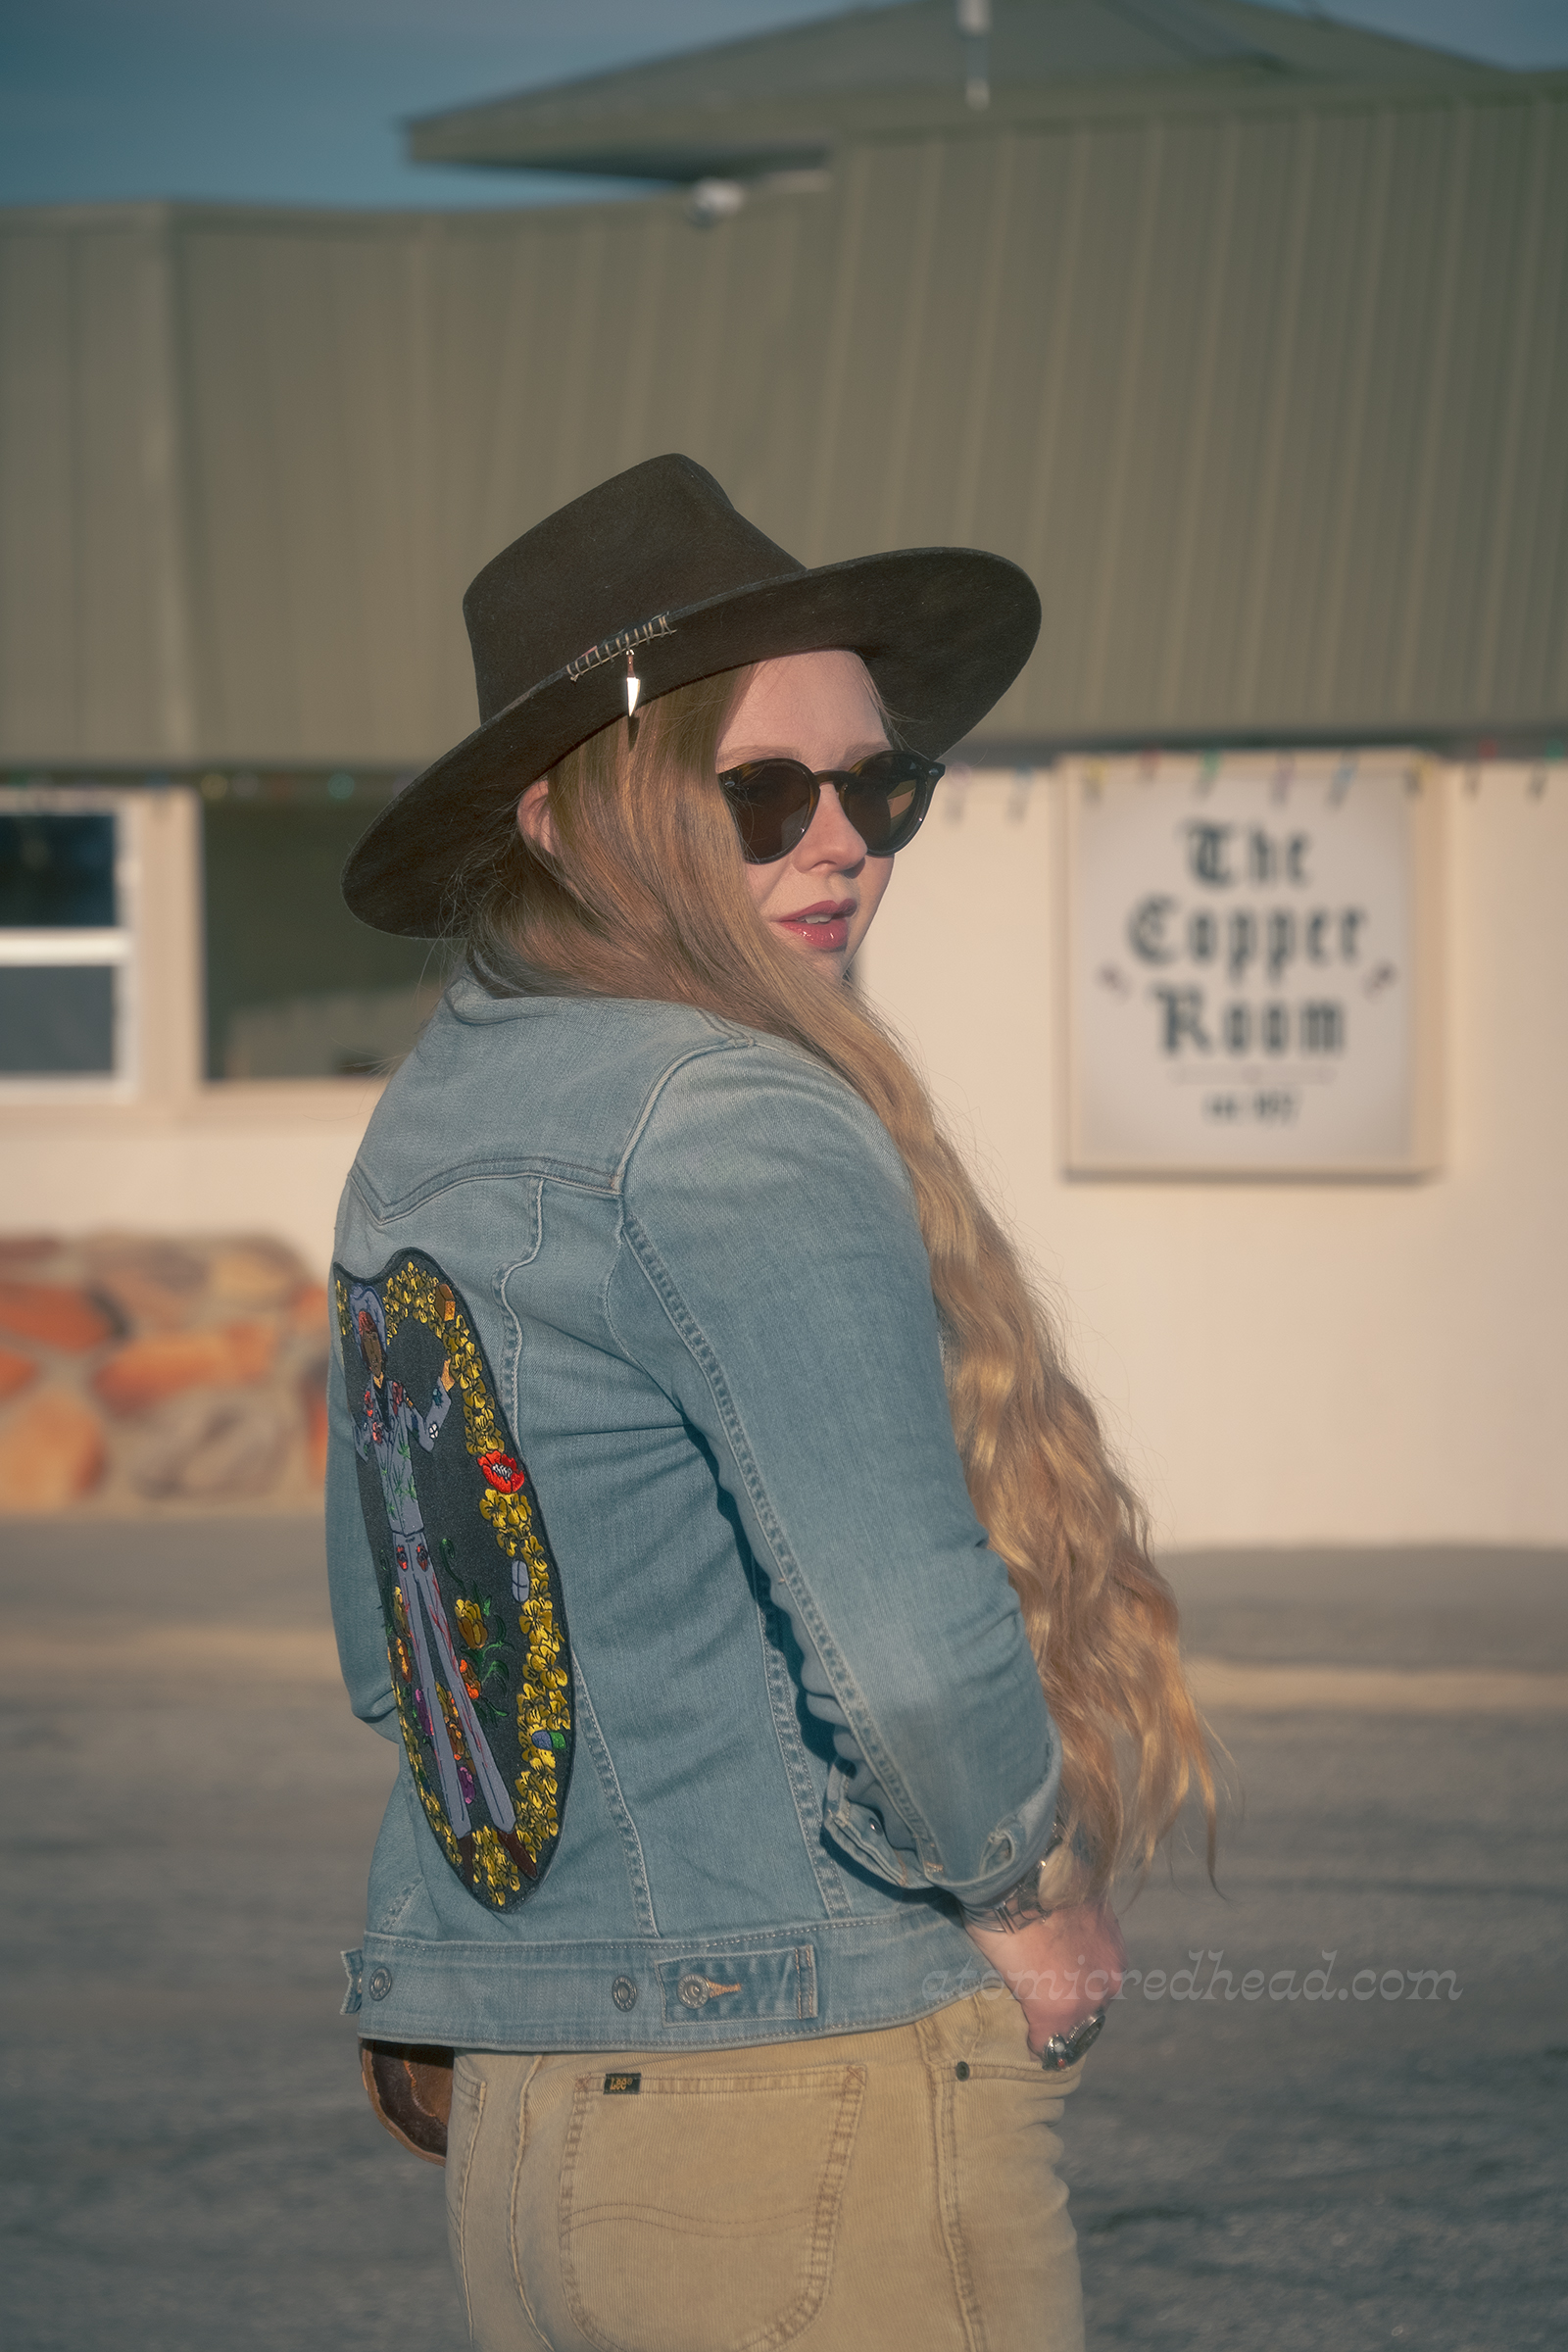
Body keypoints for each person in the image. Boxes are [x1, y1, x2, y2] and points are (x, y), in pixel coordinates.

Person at [326, 455, 1212, 2352]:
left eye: (877, 785)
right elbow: (898, 1640)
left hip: (542, 2131)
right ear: (568, 815)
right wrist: (1026, 1896)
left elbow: (403, 1642)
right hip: (804, 2099)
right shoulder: (730, 1116)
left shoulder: (431, 1129)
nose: (844, 843)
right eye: (761, 794)